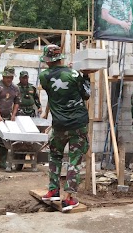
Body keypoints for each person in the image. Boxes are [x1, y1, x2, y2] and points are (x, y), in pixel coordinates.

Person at [38, 44, 92, 212]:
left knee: (55, 156)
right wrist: (86, 77)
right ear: (60, 57)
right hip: (78, 124)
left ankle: (53, 190)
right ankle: (68, 198)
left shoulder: (44, 76)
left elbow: (57, 83)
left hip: (59, 124)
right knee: (74, 161)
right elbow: (86, 94)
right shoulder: (74, 74)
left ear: (48, 60)